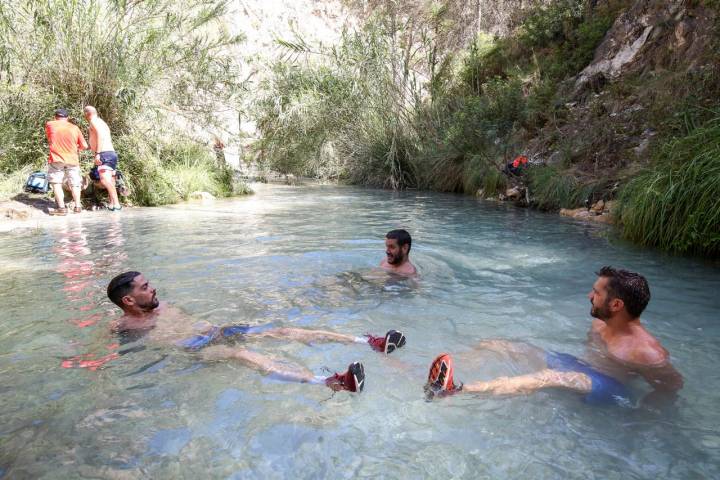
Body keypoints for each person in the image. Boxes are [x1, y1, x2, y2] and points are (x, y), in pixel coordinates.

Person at [106, 271, 408, 392]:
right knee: (242, 354)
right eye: (145, 287)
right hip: (195, 350)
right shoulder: (124, 327)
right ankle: (328, 381)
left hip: (218, 331)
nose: (153, 287)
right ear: (128, 300)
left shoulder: (161, 304)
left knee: (281, 330)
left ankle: (369, 342)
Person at [426, 267, 683, 405]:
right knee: (502, 345)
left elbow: (672, 386)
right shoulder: (600, 324)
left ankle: (456, 390)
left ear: (616, 305)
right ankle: (446, 369)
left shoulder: (647, 352)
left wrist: (642, 415)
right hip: (581, 368)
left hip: (608, 386)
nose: (589, 296)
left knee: (548, 377)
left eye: (596, 293)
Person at [45, 108, 89, 215]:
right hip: (72, 158)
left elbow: (50, 139)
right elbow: (85, 146)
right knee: (75, 183)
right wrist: (75, 147)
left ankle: (61, 208)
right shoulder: (74, 127)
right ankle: (78, 207)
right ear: (67, 118)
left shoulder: (50, 124)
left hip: (57, 158)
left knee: (56, 182)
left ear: (55, 117)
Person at [84, 106, 121, 211]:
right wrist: (88, 146)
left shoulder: (94, 122)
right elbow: (99, 138)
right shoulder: (102, 122)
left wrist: (98, 153)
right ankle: (112, 204)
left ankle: (117, 204)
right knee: (109, 180)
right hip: (111, 153)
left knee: (105, 180)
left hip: (104, 153)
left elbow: (100, 136)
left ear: (87, 113)